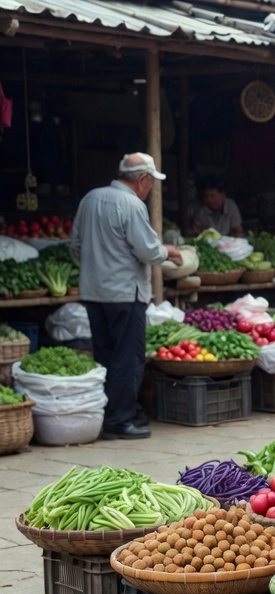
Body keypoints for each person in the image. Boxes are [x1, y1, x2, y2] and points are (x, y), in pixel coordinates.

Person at [70, 153, 183, 440]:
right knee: (127, 357)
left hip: (94, 293)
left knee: (105, 354)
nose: (150, 189)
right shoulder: (132, 204)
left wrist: (97, 266)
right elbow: (147, 251)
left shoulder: (90, 199)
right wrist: (167, 251)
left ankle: (113, 412)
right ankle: (119, 421)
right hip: (124, 294)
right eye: (151, 183)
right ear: (142, 179)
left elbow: (75, 245)